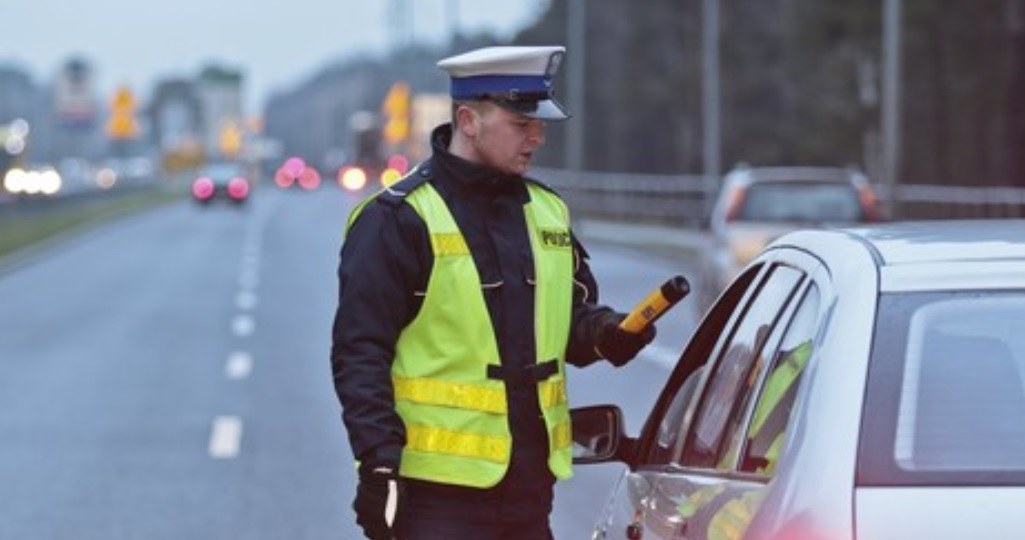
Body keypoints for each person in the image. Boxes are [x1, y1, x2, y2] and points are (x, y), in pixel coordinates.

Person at [329, 45, 657, 540]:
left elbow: (565, 321)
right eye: (521, 124)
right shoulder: (398, 220)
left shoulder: (547, 212)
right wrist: (377, 465)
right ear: (468, 120)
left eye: (540, 123)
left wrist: (607, 333)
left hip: (530, 495)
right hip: (437, 500)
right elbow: (360, 353)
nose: (538, 136)